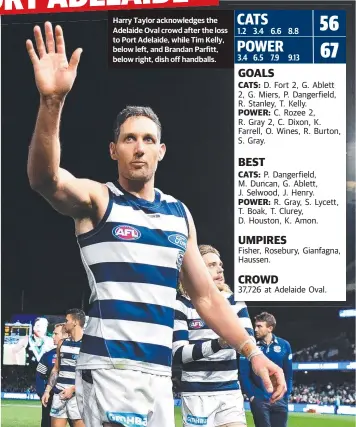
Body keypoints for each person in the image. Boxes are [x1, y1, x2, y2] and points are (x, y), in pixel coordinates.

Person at [26, 22, 286, 427]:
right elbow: (46, 180)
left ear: (161, 151)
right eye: (129, 139)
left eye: (148, 139)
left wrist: (253, 352)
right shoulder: (100, 200)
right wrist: (52, 102)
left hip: (161, 375)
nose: (139, 147)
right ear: (113, 149)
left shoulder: (179, 214)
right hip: (111, 370)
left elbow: (207, 298)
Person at [173, 244, 255, 427]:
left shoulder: (235, 301)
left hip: (229, 392)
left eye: (220, 264)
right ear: (195, 269)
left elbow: (248, 342)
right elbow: (179, 354)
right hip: (196, 395)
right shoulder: (182, 305)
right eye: (211, 265)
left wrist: (231, 341)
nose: (220, 269)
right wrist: (220, 342)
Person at [239, 312, 293, 427]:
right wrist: (252, 396)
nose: (255, 329)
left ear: (270, 328)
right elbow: (244, 374)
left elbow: (288, 373)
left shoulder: (284, 345)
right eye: (255, 326)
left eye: (259, 326)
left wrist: (286, 394)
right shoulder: (249, 346)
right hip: (259, 399)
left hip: (280, 398)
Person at [41, 309, 85, 427]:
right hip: (59, 396)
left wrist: (73, 389)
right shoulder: (62, 343)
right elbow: (56, 369)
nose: (65, 323)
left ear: (75, 322)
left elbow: (90, 375)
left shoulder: (87, 345)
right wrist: (47, 390)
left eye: (67, 320)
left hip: (78, 397)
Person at [36, 323, 68, 427]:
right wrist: (43, 394)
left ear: (65, 335)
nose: (52, 336)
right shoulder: (47, 356)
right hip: (50, 400)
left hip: (73, 398)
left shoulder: (78, 353)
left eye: (56, 334)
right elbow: (39, 375)